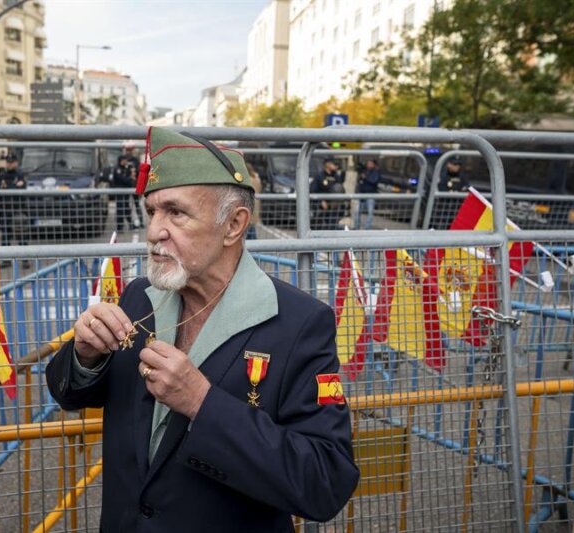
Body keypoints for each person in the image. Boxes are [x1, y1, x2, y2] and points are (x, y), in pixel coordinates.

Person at [46, 127, 358, 531]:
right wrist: (84, 356)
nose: (155, 231)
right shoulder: (140, 297)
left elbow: (325, 481)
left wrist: (201, 403)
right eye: (152, 212)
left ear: (233, 225)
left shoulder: (299, 322)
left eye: (176, 212)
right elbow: (69, 393)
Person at [0, 153, 28, 251]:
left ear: (16, 163)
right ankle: (6, 258)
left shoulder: (20, 174)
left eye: (12, 162)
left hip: (18, 208)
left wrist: (6, 187)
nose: (9, 164)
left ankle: (24, 257)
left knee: (21, 233)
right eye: (8, 162)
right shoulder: (1, 175)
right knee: (5, 234)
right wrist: (15, 186)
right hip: (4, 208)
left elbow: (24, 187)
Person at [311, 158, 346, 230]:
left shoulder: (336, 176)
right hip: (322, 207)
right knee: (319, 227)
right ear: (327, 164)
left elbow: (340, 188)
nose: (336, 166)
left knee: (332, 226)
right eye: (334, 164)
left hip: (333, 206)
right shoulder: (320, 176)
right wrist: (321, 201)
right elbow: (313, 191)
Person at [123, 141, 144, 228]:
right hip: (126, 186)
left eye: (130, 150)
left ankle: (141, 222)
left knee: (137, 205)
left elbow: (140, 173)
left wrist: (140, 186)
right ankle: (130, 223)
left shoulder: (136, 160)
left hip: (135, 186)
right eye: (127, 150)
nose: (128, 152)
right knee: (126, 206)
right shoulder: (123, 159)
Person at [355, 158, 381, 229]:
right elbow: (359, 180)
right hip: (362, 193)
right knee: (357, 211)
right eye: (368, 163)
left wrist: (365, 177)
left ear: (373, 164)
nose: (368, 164)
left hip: (370, 194)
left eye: (370, 163)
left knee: (370, 212)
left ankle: (366, 228)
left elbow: (374, 180)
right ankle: (356, 226)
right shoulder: (365, 170)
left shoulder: (376, 171)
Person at [111, 154, 135, 231]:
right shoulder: (117, 169)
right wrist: (129, 178)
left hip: (125, 192)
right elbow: (122, 179)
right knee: (120, 209)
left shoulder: (126, 168)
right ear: (121, 161)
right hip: (119, 192)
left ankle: (131, 224)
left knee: (127, 208)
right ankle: (120, 227)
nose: (126, 161)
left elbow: (130, 179)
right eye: (125, 160)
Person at [245, 162, 261, 240]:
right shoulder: (256, 178)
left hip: (249, 203)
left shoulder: (247, 179)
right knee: (252, 226)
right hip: (256, 203)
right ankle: (255, 245)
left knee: (248, 227)